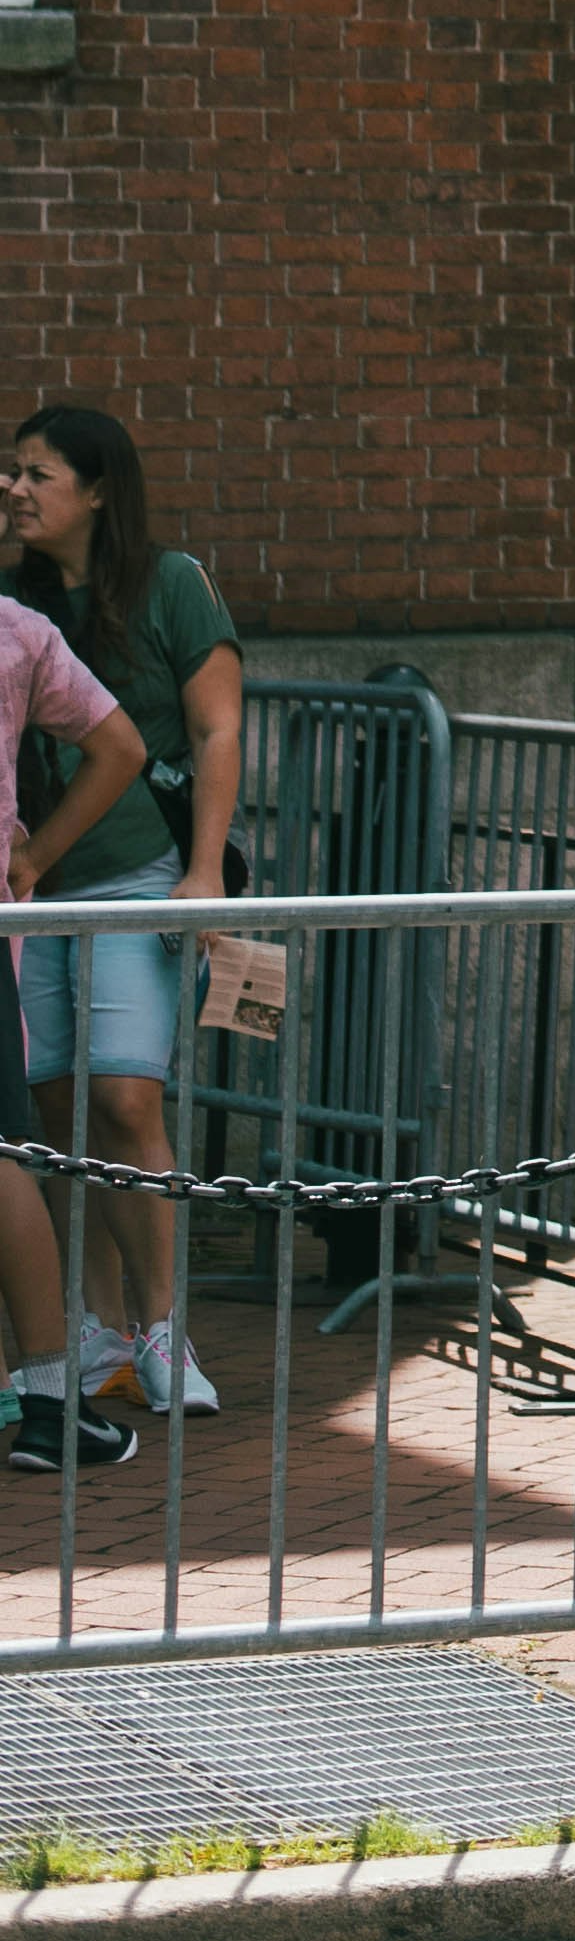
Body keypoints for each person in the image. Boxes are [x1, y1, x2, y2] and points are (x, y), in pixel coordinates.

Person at [6, 405, 241, 1418]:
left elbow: (217, 723)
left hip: (132, 873)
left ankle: (160, 1327)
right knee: (51, 1107)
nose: (16, 489)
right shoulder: (10, 597)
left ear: (98, 490)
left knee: (129, 1100)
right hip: (29, 899)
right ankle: (89, 1322)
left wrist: (203, 870)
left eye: (38, 473)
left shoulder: (169, 582)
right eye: (10, 472)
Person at [0, 576, 144, 1471]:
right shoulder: (15, 631)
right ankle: (53, 1406)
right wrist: (36, 854)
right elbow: (118, 744)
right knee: (1, 1155)